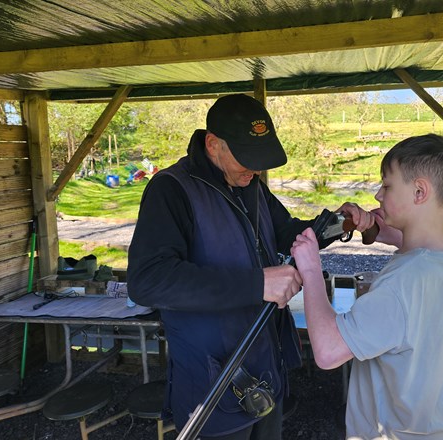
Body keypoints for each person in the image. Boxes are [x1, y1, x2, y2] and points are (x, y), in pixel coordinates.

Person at [127, 93, 373, 440]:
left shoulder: (249, 185)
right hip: (212, 377)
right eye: (247, 159)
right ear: (213, 145)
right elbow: (148, 280)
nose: (256, 169)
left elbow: (287, 234)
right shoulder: (171, 189)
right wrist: (257, 284)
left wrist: (336, 224)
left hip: (263, 366)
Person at [290, 134, 443, 439]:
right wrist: (372, 227)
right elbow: (411, 243)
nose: (377, 194)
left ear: (418, 192)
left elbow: (328, 352)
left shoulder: (399, 286)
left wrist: (310, 271)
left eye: (387, 186)